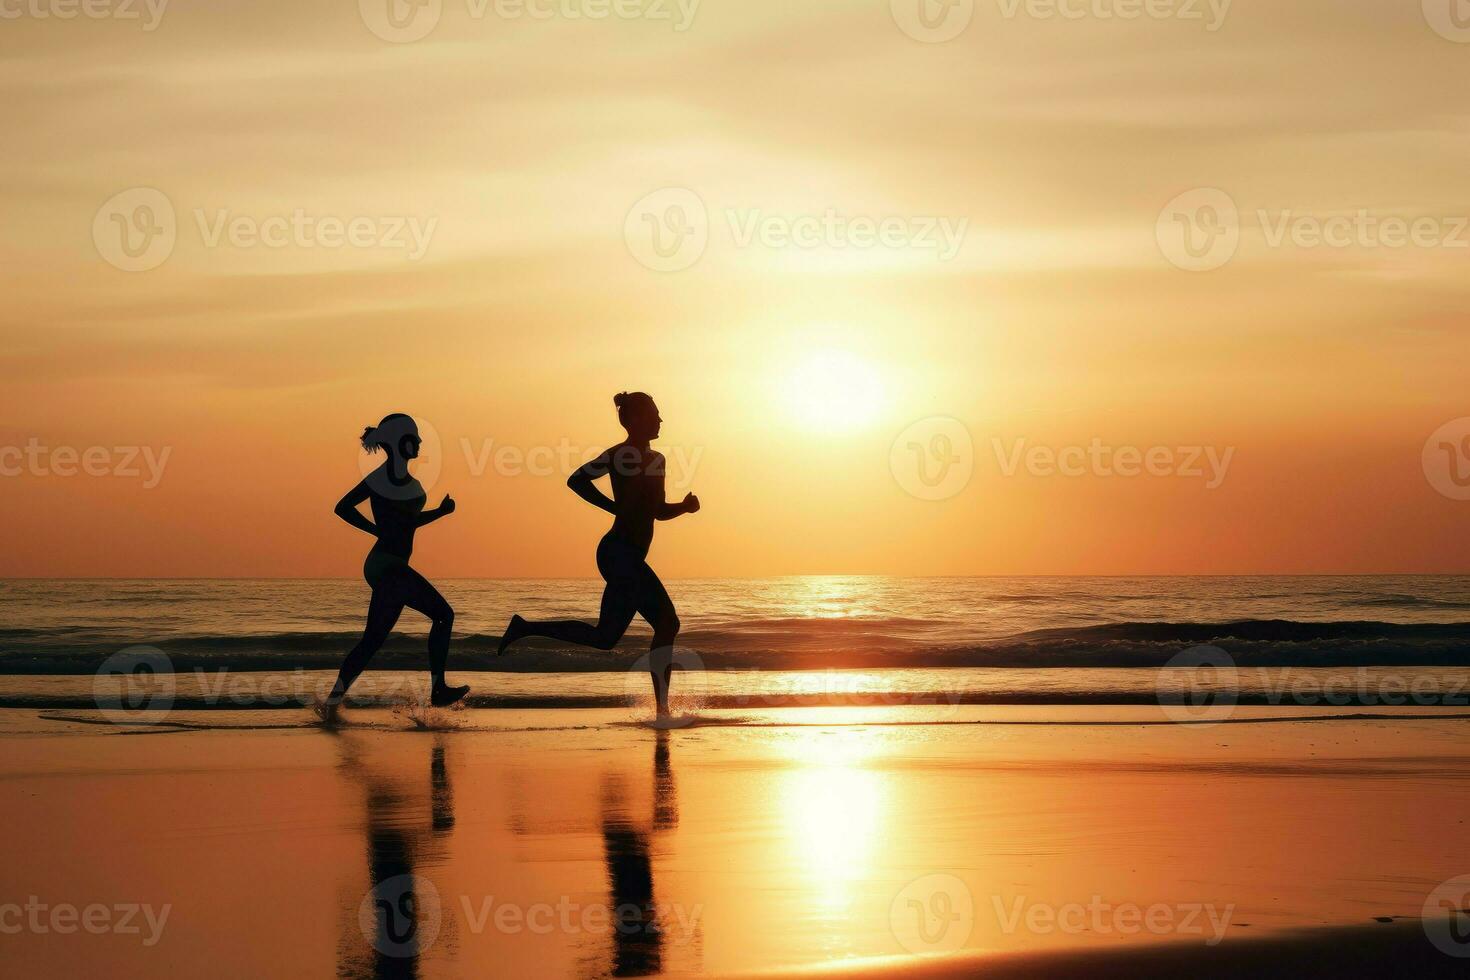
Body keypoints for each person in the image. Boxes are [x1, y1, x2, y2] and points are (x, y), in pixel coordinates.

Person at [498, 392, 699, 718]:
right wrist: (612, 506)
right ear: (634, 420)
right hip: (618, 553)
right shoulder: (619, 455)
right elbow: (576, 480)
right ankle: (663, 710)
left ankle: (524, 627)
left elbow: (658, 511)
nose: (660, 420)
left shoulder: (657, 460)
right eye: (655, 414)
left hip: (629, 555)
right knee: (667, 622)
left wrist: (684, 508)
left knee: (606, 637)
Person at [323, 413, 468, 720]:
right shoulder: (378, 478)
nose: (419, 443)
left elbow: (408, 524)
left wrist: (440, 513)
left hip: (393, 567)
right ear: (401, 442)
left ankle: (331, 704)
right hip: (385, 565)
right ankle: (438, 689)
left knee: (372, 641)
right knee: (444, 614)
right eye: (414, 438)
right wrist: (375, 531)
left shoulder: (411, 483)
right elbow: (342, 507)